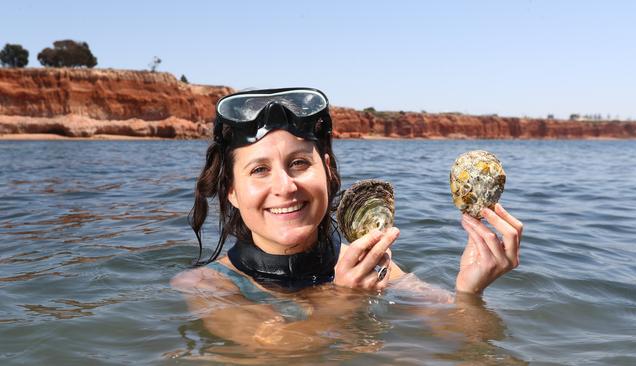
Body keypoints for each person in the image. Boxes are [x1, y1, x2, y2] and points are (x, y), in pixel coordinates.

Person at [171, 88, 523, 351]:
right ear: (231, 190)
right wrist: (342, 300)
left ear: (326, 171)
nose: (285, 186)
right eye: (260, 170)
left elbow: (473, 340)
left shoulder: (377, 270)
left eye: (299, 163)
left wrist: (469, 292)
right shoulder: (207, 286)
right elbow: (277, 352)